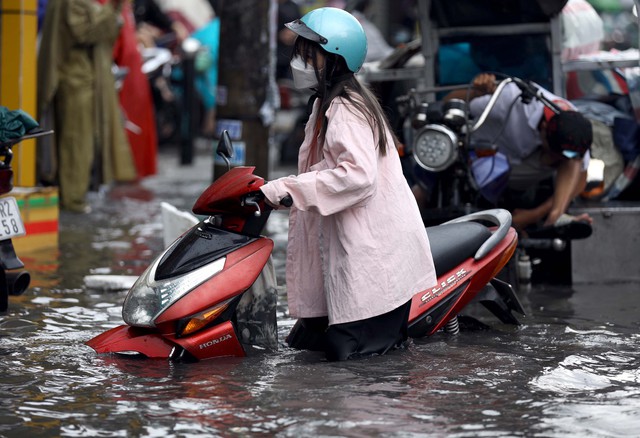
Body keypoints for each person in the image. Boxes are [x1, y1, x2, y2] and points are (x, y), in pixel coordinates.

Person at [259, 7, 437, 361]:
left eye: (309, 55)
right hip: (357, 247)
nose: (299, 62)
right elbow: (327, 166)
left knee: (352, 369)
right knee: (304, 347)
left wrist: (288, 190)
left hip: (373, 259)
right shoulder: (326, 104)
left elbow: (355, 176)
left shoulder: (346, 108)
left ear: (335, 59)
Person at [445, 73, 594, 234]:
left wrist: (534, 214)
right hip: (479, 161)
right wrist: (477, 91)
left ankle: (556, 216)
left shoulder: (573, 124)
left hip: (515, 170)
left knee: (573, 162)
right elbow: (449, 101)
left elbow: (580, 180)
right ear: (544, 128)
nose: (558, 160)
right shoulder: (510, 99)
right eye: (556, 155)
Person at [37, 0, 137, 213]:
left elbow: (106, 32)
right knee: (76, 141)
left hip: (86, 78)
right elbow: (85, 31)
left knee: (83, 141)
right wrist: (113, 8)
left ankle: (76, 194)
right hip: (75, 80)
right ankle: (72, 198)